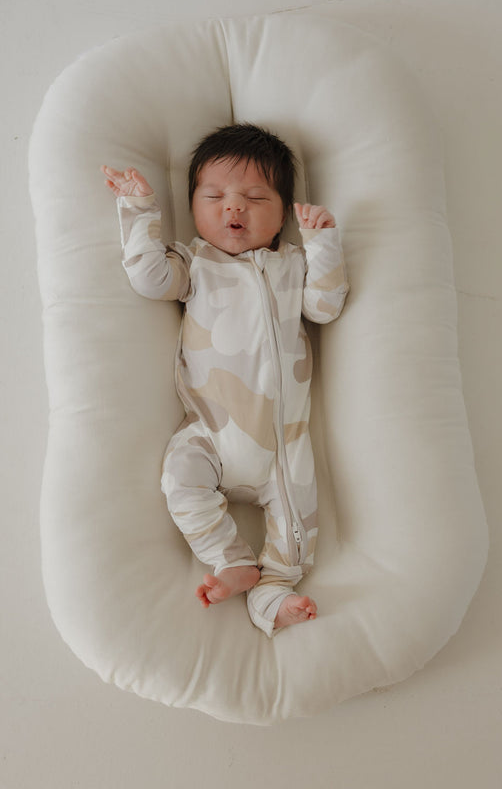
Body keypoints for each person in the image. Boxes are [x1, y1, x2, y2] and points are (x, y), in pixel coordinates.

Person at [102, 123, 348, 636]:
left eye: (255, 198)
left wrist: (322, 244)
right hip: (209, 433)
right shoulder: (195, 262)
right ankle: (229, 559)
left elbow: (325, 308)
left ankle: (274, 592)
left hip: (282, 445)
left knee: (298, 523)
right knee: (179, 480)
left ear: (283, 213)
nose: (234, 207)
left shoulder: (291, 264)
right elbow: (148, 278)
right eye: (214, 196)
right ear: (193, 204)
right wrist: (140, 209)